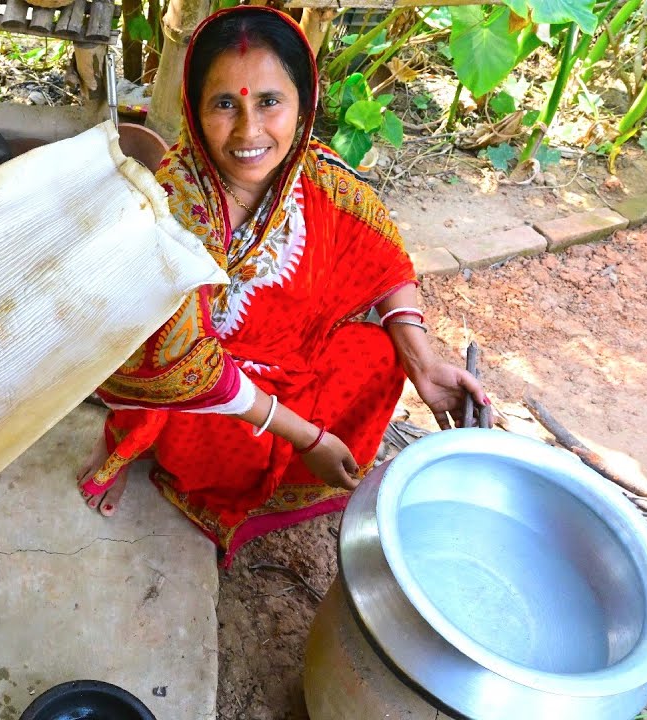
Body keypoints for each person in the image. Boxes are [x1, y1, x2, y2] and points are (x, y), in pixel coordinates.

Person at [77, 7, 490, 566]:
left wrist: (423, 364)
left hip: (293, 361)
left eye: (269, 102)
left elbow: (383, 252)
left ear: (304, 103)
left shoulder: (313, 173)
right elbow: (182, 364)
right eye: (225, 104)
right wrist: (308, 437)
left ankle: (308, 452)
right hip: (211, 395)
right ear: (196, 112)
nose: (249, 131)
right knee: (226, 453)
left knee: (380, 355)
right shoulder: (171, 210)